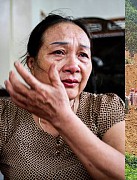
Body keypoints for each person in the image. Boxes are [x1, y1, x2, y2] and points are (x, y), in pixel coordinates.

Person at [1, 14, 125, 179]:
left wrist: (63, 117)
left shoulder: (105, 107)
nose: (74, 67)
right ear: (32, 63)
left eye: (83, 55)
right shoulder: (5, 114)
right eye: (59, 52)